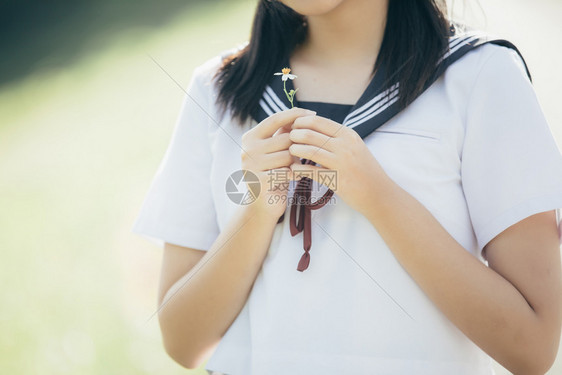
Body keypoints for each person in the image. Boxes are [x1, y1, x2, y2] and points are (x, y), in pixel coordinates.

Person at [132, 0, 562, 374]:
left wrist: (380, 197)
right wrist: (259, 209)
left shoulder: (481, 76)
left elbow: (533, 349)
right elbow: (183, 341)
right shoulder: (218, 88)